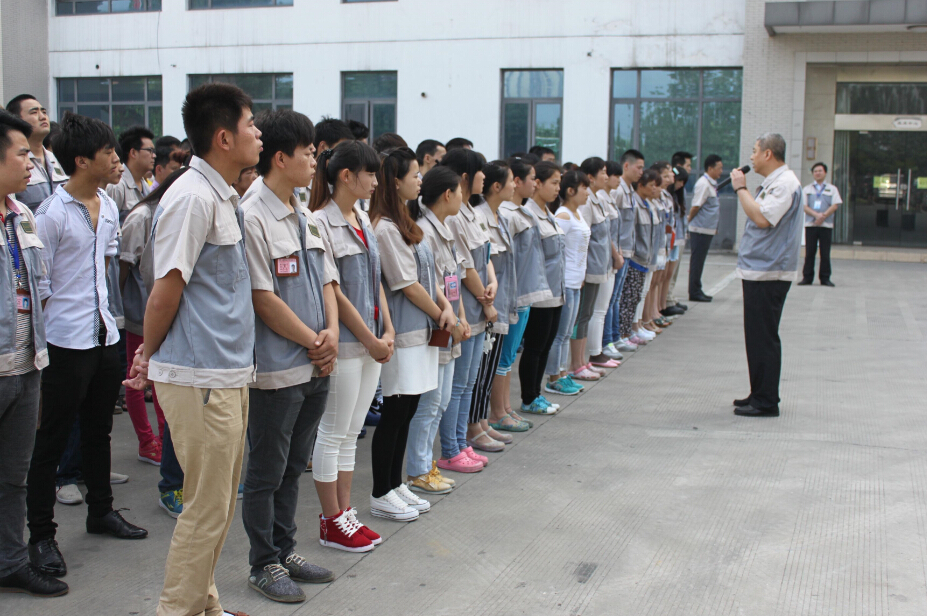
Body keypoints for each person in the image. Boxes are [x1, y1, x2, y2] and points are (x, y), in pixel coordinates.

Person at [125, 83, 261, 616]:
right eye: (251, 124)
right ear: (224, 138)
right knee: (205, 508)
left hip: (225, 373)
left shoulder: (221, 194)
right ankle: (177, 610)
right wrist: (147, 354)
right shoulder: (192, 198)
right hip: (199, 376)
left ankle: (205, 603)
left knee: (218, 506)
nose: (258, 134)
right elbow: (166, 289)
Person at [28, 113, 148, 582]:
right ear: (81, 161)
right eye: (109, 154)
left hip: (104, 336)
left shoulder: (108, 206)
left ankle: (101, 511)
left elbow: (105, 270)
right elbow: (41, 285)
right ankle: (41, 535)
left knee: (100, 432)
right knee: (52, 440)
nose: (117, 161)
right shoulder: (50, 214)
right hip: (64, 340)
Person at [240, 109, 337, 603]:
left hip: (316, 362)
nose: (315, 162)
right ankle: (263, 563)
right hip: (279, 367)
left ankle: (285, 549)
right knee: (266, 470)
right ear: (280, 158)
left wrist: (332, 333)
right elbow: (262, 297)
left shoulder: (305, 213)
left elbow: (326, 280)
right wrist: (314, 341)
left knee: (295, 462)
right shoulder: (251, 214)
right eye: (308, 154)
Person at [309, 140, 394, 551]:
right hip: (346, 345)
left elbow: (376, 280)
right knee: (333, 432)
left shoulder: (361, 216)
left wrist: (388, 330)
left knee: (350, 432)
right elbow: (335, 292)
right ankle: (330, 521)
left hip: (372, 342)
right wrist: (370, 338)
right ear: (346, 175)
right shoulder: (319, 222)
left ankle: (344, 514)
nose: (376, 182)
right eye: (370, 173)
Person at [0, 111, 69, 598]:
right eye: (23, 154)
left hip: (26, 365)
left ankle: (10, 561)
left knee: (13, 478)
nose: (32, 163)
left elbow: (37, 287)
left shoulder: (21, 215)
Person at [370, 146, 455, 519]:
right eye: (415, 174)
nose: (421, 180)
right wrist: (440, 313)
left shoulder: (403, 220)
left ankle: (396, 483)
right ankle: (380, 491)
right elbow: (406, 284)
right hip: (403, 333)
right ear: (395, 181)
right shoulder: (385, 228)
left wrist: (445, 307)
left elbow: (428, 275)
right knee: (394, 412)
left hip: (422, 331)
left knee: (407, 410)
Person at [125, 168, 190, 518]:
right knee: (165, 402)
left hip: (184, 329)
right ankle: (170, 483)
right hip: (157, 321)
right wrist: (147, 343)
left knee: (180, 415)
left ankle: (182, 479)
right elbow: (145, 279)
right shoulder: (152, 216)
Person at [730, 133, 803, 418]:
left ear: (768, 154)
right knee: (756, 336)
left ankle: (766, 401)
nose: (751, 157)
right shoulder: (776, 182)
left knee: (764, 337)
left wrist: (740, 188)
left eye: (754, 150)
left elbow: (762, 218)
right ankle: (758, 392)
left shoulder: (784, 184)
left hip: (769, 272)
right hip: (760, 269)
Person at [405, 166, 468, 494]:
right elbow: (429, 285)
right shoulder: (425, 232)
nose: (462, 197)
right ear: (447, 194)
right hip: (436, 326)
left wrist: (461, 316)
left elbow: (452, 279)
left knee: (440, 401)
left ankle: (426, 465)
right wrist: (453, 320)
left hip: (450, 323)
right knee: (430, 403)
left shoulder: (444, 228)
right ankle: (418, 469)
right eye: (459, 191)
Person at [437, 148, 495, 473]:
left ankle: (461, 443)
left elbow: (486, 257)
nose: (484, 177)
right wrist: (486, 301)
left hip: (478, 308)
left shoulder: (472, 212)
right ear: (464, 177)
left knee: (468, 383)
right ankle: (451, 448)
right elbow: (464, 269)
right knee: (457, 385)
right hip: (467, 311)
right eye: (479, 171)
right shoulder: (455, 216)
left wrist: (491, 288)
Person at [491, 156, 551, 430]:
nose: (535, 184)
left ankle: (505, 408)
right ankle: (498, 412)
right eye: (532, 179)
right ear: (516, 181)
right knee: (503, 358)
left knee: (509, 356)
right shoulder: (507, 214)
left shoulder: (520, 211)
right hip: (512, 296)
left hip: (524, 294)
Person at [469, 160, 518, 453]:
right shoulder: (479, 216)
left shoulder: (500, 217)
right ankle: (473, 427)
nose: (515, 185)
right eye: (511, 180)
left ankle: (483, 421)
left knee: (488, 371)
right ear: (497, 186)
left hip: (500, 303)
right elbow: (477, 263)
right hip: (484, 306)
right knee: (479, 372)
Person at [518, 161, 565, 414]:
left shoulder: (548, 213)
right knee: (534, 347)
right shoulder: (529, 215)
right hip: (540, 294)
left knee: (546, 346)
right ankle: (529, 398)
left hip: (556, 291)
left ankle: (536, 394)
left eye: (559, 183)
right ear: (537, 183)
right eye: (554, 183)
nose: (558, 188)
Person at [545, 170, 591, 396]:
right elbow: (555, 250)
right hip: (565, 281)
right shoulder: (563, 215)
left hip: (576, 281)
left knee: (566, 332)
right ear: (571, 191)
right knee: (560, 333)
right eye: (584, 188)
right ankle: (554, 377)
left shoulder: (577, 213)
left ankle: (563, 373)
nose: (588, 193)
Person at [578, 157, 620, 373]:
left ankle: (593, 354)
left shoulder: (598, 199)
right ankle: (592, 354)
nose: (606, 176)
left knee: (597, 310)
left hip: (602, 264)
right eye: (602, 172)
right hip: (592, 267)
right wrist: (583, 270)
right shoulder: (587, 202)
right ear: (590, 177)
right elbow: (584, 237)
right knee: (591, 312)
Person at [618, 170, 661, 348]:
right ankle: (625, 332)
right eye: (651, 185)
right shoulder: (635, 203)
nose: (654, 189)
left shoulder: (647, 203)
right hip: (636, 257)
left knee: (637, 296)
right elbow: (631, 231)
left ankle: (632, 328)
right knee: (628, 297)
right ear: (641, 185)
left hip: (645, 257)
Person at [6, 95, 68, 213]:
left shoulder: (53, 157)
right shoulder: (14, 161)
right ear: (16, 120)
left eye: (44, 112)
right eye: (34, 112)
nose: (42, 117)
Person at [613, 149, 644, 351]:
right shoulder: (618, 190)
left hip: (627, 251)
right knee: (614, 299)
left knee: (620, 297)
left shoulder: (630, 191)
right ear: (626, 165)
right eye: (638, 167)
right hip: (619, 252)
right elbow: (613, 225)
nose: (641, 172)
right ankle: (613, 338)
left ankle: (619, 335)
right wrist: (616, 252)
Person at [687, 154, 723, 302]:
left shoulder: (711, 184)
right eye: (719, 168)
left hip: (706, 229)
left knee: (700, 261)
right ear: (710, 168)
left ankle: (697, 288)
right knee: (697, 261)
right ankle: (694, 291)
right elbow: (696, 206)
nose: (721, 171)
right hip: (700, 229)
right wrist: (688, 221)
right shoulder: (703, 184)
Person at [799, 162, 841, 287]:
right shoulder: (807, 189)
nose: (817, 173)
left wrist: (823, 216)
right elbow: (804, 206)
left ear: (825, 172)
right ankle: (807, 278)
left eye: (820, 171)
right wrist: (816, 216)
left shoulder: (832, 189)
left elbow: (835, 205)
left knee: (825, 253)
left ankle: (825, 278)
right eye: (815, 171)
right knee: (809, 252)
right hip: (811, 225)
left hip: (826, 225)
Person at [600, 159, 625, 360]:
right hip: (607, 259)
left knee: (613, 299)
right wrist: (616, 255)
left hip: (615, 255)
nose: (617, 180)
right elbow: (604, 234)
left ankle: (612, 338)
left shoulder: (609, 197)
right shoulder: (600, 198)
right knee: (604, 306)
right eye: (614, 175)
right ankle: (605, 342)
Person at [108, 126, 154, 223]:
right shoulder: (117, 185)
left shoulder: (145, 186)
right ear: (133, 153)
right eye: (150, 150)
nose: (154, 155)